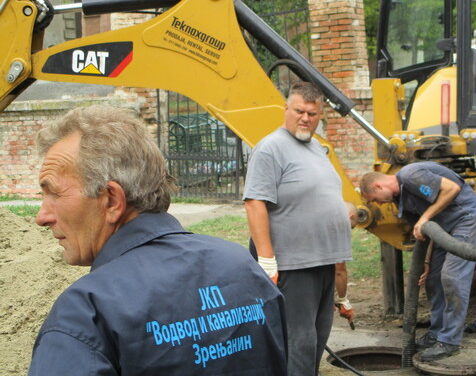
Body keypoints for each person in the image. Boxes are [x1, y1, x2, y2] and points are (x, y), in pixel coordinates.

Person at [29, 105, 287, 375]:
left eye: (55, 194)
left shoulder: (86, 314)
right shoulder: (244, 267)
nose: (41, 216)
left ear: (112, 201)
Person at [243, 81, 352, 375]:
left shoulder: (317, 148)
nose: (305, 118)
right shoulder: (271, 148)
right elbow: (255, 203)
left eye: (312, 114)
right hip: (295, 264)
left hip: (323, 261)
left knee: (318, 338)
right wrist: (266, 261)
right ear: (286, 109)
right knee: (299, 343)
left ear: (320, 116)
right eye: (299, 111)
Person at [359, 162, 476, 361]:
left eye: (376, 200)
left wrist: (424, 218)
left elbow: (452, 188)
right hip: (443, 229)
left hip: (465, 219)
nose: (380, 205)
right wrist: (428, 263)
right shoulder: (401, 200)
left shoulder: (410, 176)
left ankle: (449, 341)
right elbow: (430, 228)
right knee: (434, 279)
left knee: (452, 277)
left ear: (378, 186)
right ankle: (436, 334)